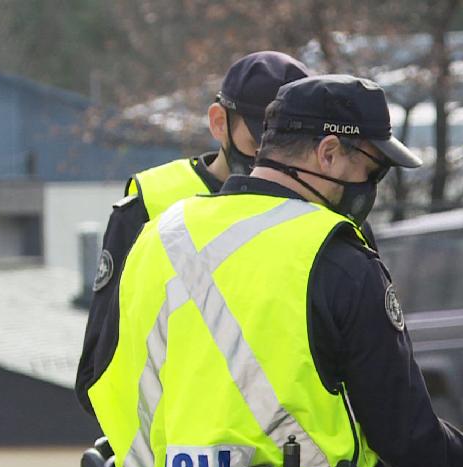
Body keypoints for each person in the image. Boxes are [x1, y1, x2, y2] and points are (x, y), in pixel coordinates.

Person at [85, 74, 463, 467]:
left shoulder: (157, 239)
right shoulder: (335, 256)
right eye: (370, 167)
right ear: (327, 152)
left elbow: (104, 385)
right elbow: (407, 436)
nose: (371, 187)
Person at [75, 51, 310, 408]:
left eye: (292, 144)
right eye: (261, 139)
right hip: (177, 452)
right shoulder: (152, 203)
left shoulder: (320, 207)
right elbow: (99, 374)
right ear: (219, 122)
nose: (273, 156)